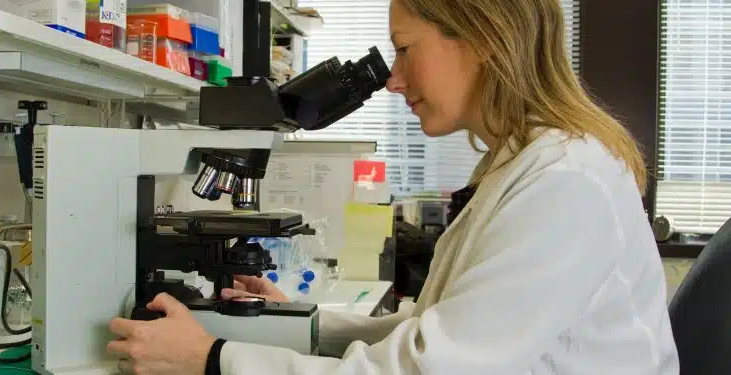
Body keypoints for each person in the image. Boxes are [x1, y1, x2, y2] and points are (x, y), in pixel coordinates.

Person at [106, 0, 681, 373]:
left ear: (483, 38)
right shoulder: (525, 164)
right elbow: (439, 331)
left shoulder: (565, 184)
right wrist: (302, 321)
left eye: (404, 50)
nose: (393, 81)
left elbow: (430, 369)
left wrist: (212, 360)